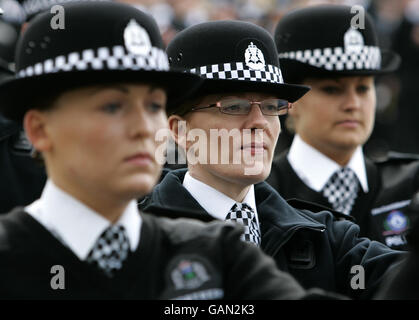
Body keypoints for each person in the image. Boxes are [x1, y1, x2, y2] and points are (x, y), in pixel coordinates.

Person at [0, 2, 320, 300]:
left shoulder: (217, 252)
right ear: (40, 130)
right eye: (113, 106)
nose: (144, 128)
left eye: (154, 105)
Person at [139, 19, 404, 300]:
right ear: (180, 130)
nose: (260, 123)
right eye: (233, 106)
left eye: (271, 106)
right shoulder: (136, 238)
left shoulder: (322, 238)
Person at [266, 4, 419, 250]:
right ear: (289, 100)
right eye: (332, 89)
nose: (353, 104)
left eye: (363, 88)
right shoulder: (262, 196)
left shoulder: (409, 187)